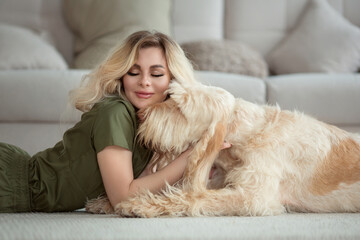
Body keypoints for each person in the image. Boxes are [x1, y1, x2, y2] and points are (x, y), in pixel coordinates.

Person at [0, 31, 230, 213]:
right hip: (11, 181)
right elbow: (122, 197)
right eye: (134, 72)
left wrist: (201, 160)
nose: (144, 82)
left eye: (156, 74)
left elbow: (143, 185)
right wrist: (192, 155)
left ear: (173, 80)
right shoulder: (115, 112)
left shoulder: (147, 124)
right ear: (121, 75)